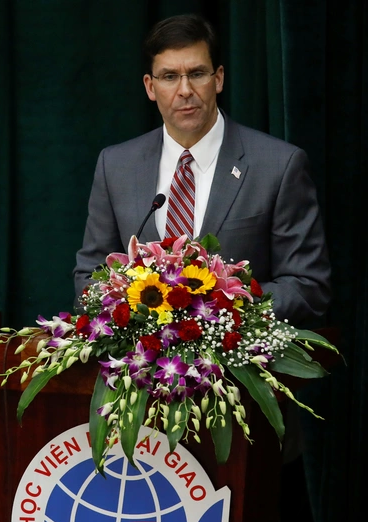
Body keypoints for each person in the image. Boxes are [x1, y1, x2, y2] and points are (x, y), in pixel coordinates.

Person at [73, 14, 331, 328]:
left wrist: (216, 312)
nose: (185, 90)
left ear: (218, 79)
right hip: (141, 370)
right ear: (150, 87)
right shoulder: (116, 166)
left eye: (196, 73)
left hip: (237, 369)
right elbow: (90, 279)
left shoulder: (278, 165)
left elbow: (307, 287)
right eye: (169, 77)